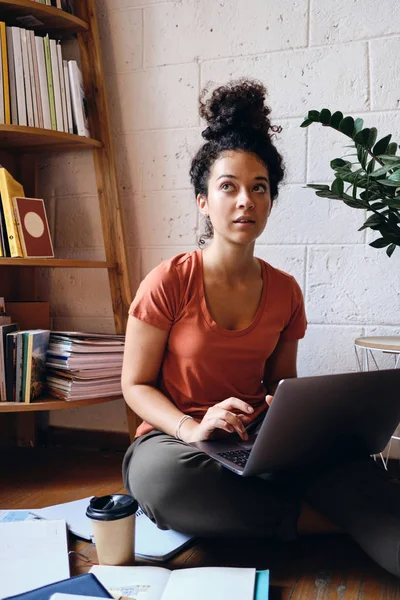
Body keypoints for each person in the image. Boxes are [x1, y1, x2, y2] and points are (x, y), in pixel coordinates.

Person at [121, 79, 400, 577]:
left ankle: (302, 508)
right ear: (203, 201)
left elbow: (279, 384)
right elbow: (134, 384)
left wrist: (281, 412)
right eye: (227, 186)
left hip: (256, 441)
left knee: (360, 479)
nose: (245, 200)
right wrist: (192, 427)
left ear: (270, 201)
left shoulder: (285, 291)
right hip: (177, 443)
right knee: (164, 483)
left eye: (259, 187)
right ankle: (321, 518)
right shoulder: (168, 281)